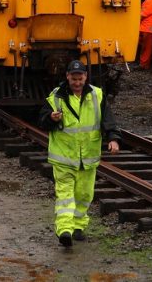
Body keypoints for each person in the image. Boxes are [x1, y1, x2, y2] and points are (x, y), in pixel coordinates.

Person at [38, 60, 121, 247]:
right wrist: (51, 118)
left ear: (85, 77)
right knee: (65, 195)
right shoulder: (55, 97)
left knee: (84, 195)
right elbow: (42, 121)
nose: (77, 82)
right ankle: (65, 230)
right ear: (67, 77)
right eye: (73, 79)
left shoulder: (97, 95)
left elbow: (107, 120)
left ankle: (78, 227)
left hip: (88, 157)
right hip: (64, 157)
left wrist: (113, 139)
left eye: (80, 78)